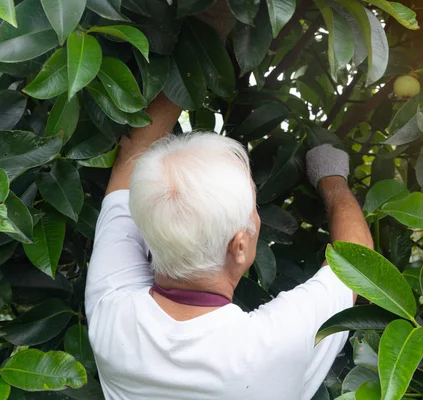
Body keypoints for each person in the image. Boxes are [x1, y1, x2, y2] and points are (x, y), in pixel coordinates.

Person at [85, 93, 373, 400]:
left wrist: (188, 71)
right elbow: (356, 258)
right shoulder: (273, 344)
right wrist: (331, 177)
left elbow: (134, 154)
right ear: (238, 245)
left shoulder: (111, 308)